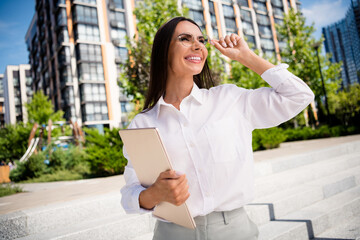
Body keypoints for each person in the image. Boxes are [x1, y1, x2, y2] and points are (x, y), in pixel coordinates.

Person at [120, 16, 314, 240]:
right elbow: (130, 194)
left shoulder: (230, 99)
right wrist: (153, 194)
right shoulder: (143, 123)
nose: (197, 46)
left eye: (201, 40)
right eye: (185, 38)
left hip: (234, 230)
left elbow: (299, 95)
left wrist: (246, 57)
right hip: (172, 234)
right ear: (164, 51)